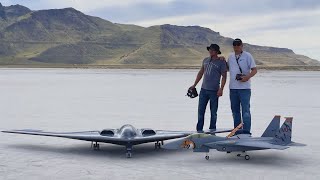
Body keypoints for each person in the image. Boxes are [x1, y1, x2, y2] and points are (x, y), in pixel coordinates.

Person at [189, 44, 227, 132]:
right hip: (203, 90)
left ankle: (212, 131)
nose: (210, 51)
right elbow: (201, 72)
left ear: (217, 52)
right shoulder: (205, 60)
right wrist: (194, 85)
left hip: (214, 91)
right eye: (210, 50)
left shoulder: (221, 62)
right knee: (200, 112)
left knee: (213, 113)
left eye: (213, 50)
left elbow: (224, 76)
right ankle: (199, 131)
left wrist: (221, 89)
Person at [227, 38, 257, 134]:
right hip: (233, 88)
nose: (236, 47)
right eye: (235, 45)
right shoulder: (230, 57)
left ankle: (246, 132)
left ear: (242, 45)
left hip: (245, 89)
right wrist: (221, 59)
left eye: (238, 45)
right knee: (235, 112)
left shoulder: (248, 56)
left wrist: (247, 77)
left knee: (246, 111)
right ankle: (237, 132)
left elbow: (254, 70)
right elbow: (227, 68)